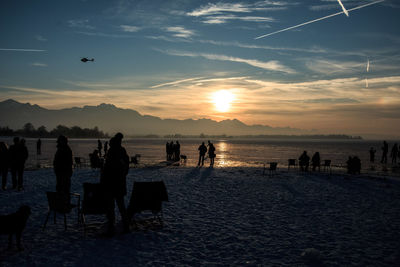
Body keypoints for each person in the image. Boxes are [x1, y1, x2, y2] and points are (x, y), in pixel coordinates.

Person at [101, 133, 130, 235]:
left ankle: (111, 226)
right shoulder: (122, 151)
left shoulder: (112, 152)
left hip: (111, 184)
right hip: (120, 183)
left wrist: (104, 180)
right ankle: (125, 225)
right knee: (120, 205)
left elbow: (107, 170)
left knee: (111, 206)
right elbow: (126, 167)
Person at [53, 135, 73, 200]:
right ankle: (60, 202)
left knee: (65, 188)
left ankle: (65, 202)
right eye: (60, 141)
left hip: (65, 172)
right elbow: (56, 160)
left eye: (62, 141)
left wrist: (67, 171)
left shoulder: (67, 149)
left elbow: (69, 162)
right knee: (59, 188)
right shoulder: (60, 149)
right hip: (59, 172)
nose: (60, 142)